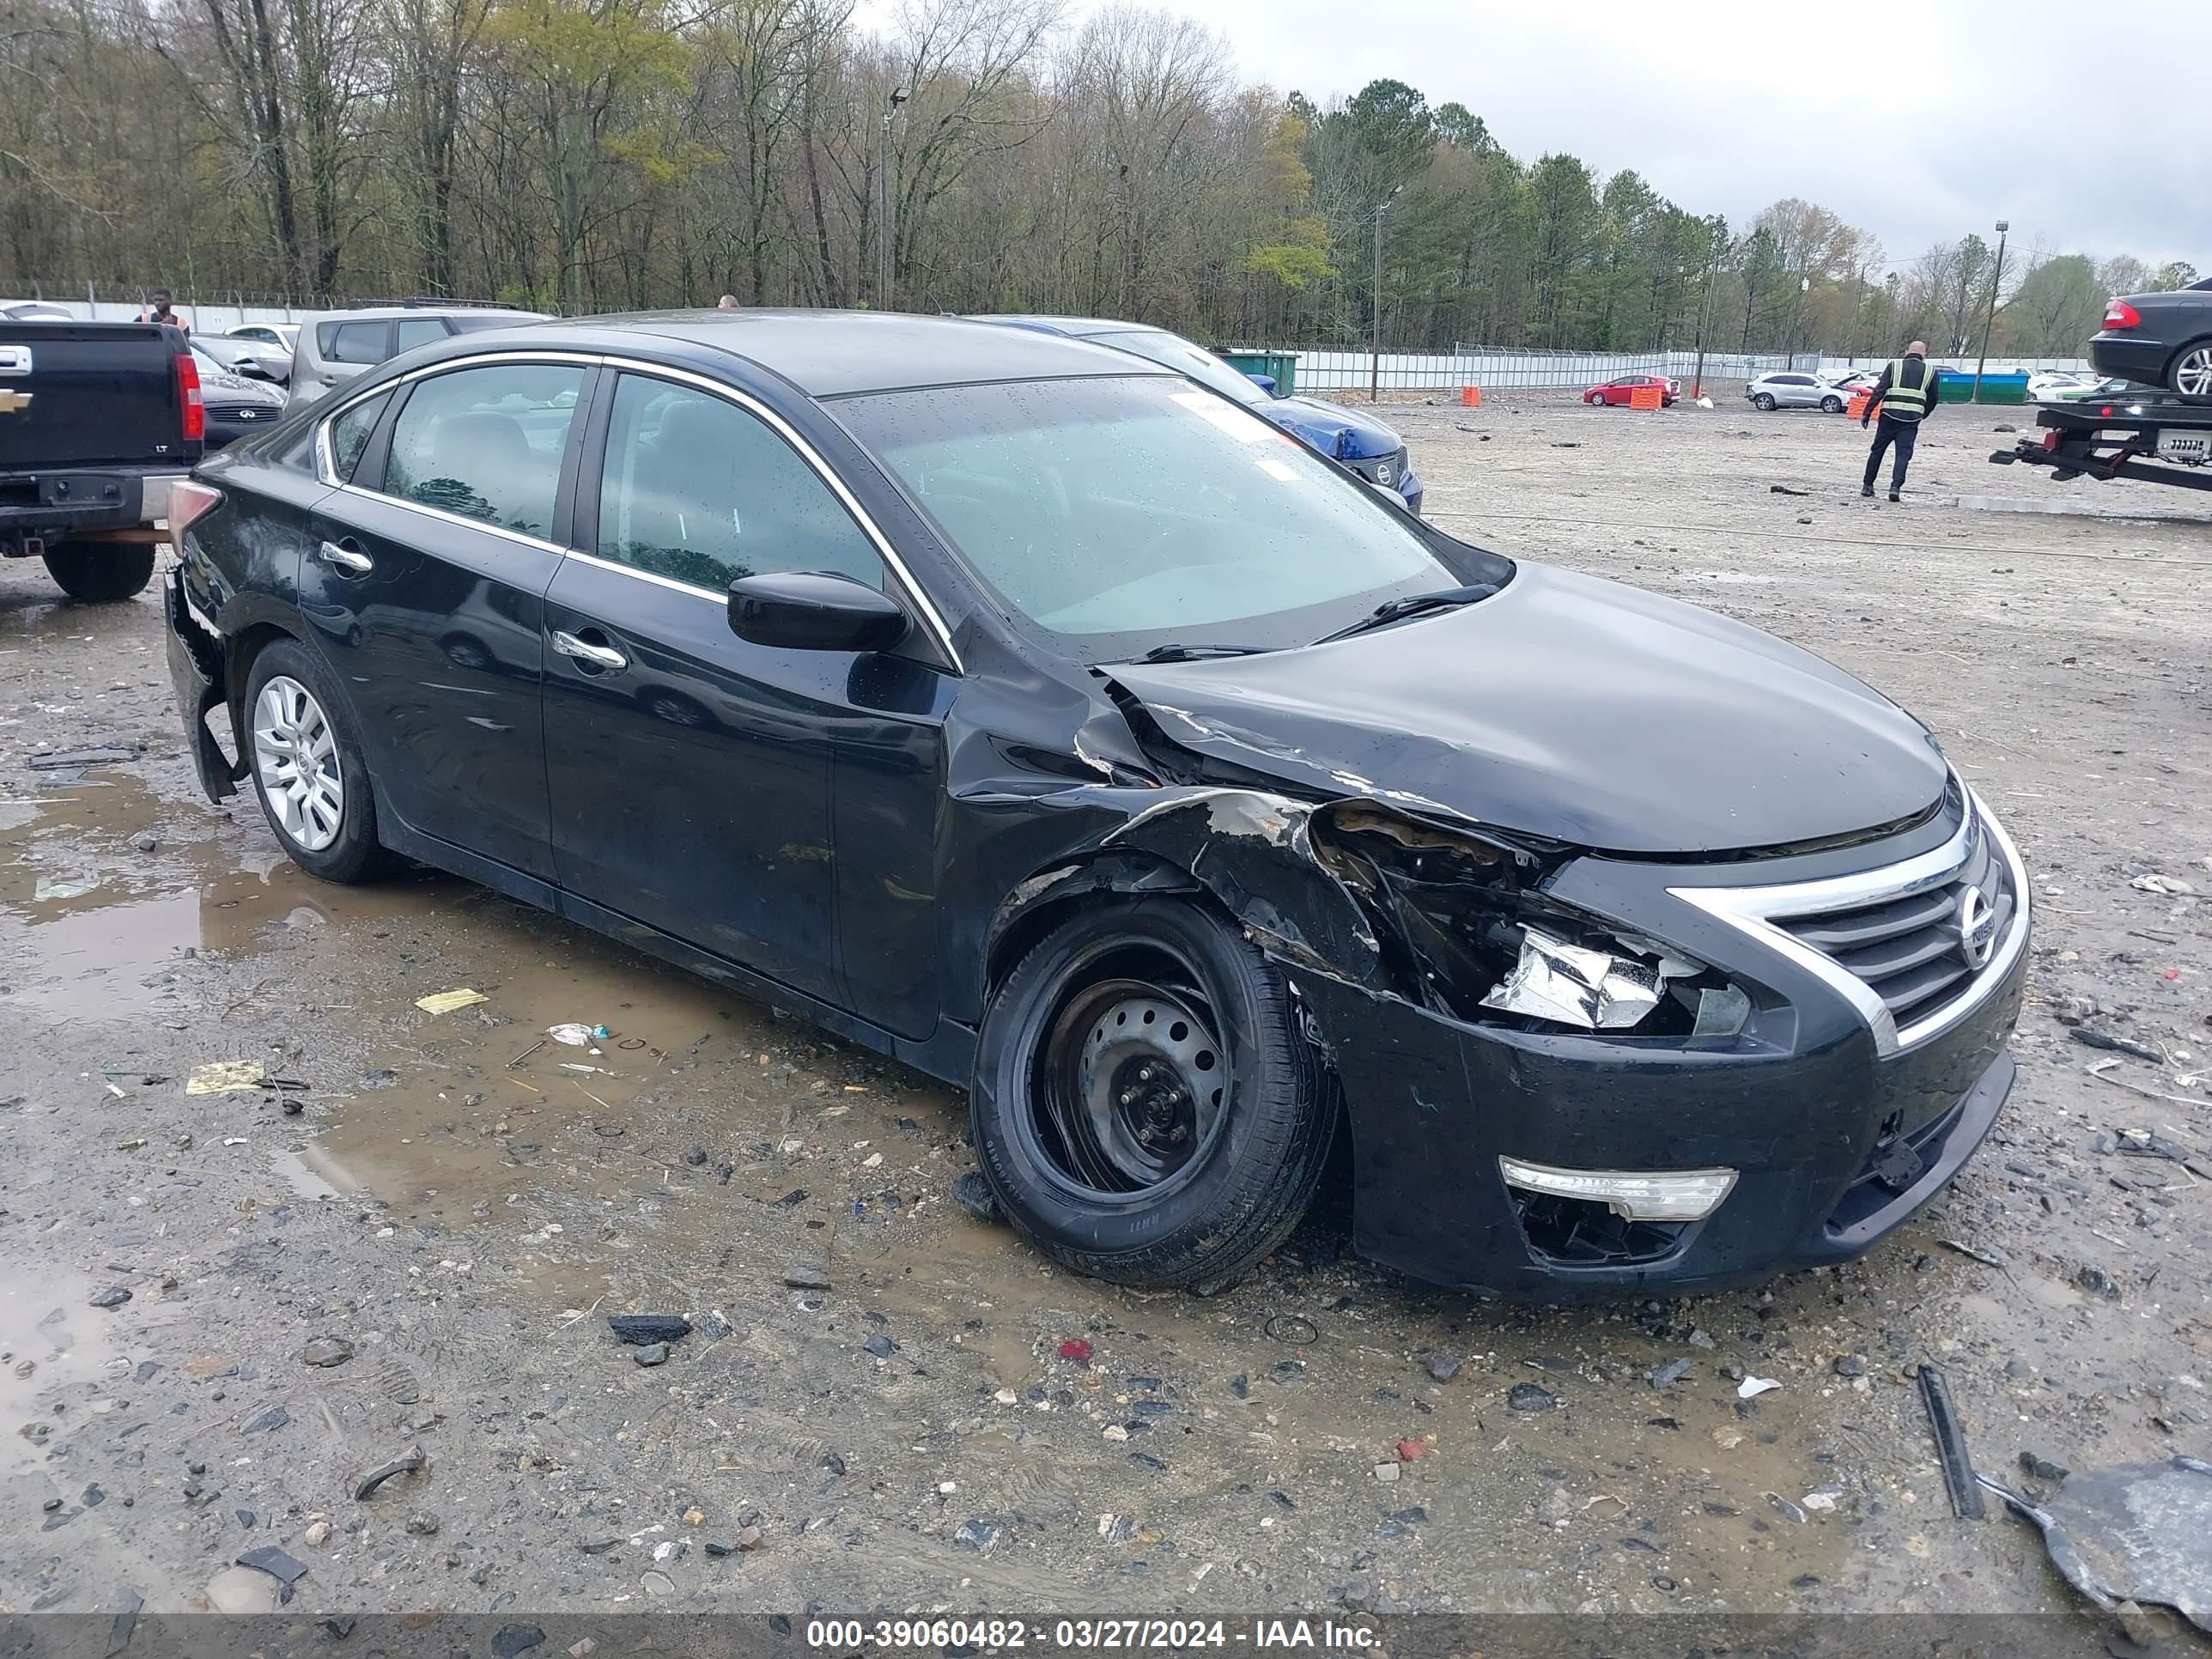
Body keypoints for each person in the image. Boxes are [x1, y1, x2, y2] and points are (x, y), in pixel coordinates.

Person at [1861, 340, 1936, 501]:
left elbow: (1879, 391)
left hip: (1888, 417)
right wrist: (1923, 414)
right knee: (1903, 455)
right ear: (1925, 354)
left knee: (1877, 451)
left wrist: (1867, 412)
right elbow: (1933, 399)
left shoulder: (1894, 366)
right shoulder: (1930, 371)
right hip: (1911, 420)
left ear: (1907, 352)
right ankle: (1895, 487)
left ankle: (1867, 486)